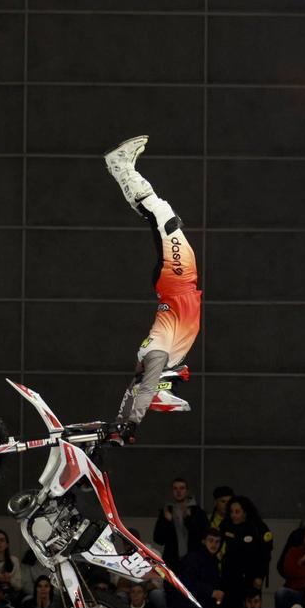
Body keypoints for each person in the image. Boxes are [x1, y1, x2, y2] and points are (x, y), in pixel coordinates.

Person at [102, 135, 201, 443]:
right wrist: (122, 425)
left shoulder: (156, 347)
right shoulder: (167, 351)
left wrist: (131, 422)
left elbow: (144, 387)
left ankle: (120, 166)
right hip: (178, 281)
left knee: (163, 216)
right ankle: (124, 169)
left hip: (178, 279)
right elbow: (139, 388)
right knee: (158, 217)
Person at [216, 494, 273, 608]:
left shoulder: (258, 527)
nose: (234, 515)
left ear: (245, 512)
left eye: (237, 512)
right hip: (230, 576)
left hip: (251, 577)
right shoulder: (226, 525)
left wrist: (260, 576)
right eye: (231, 512)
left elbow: (265, 554)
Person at [151, 479, 207, 566]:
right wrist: (167, 521)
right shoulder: (167, 511)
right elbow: (158, 539)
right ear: (172, 491)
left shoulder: (197, 512)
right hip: (172, 561)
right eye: (175, 488)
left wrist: (188, 519)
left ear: (187, 491)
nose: (178, 491)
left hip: (193, 562)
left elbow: (202, 537)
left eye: (182, 488)